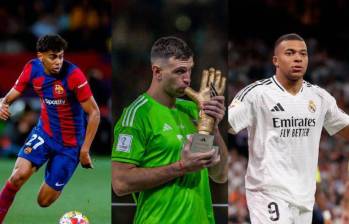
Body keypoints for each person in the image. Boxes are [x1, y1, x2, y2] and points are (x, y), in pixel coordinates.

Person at [228, 33, 349, 223]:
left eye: (303, 53)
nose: (298, 58)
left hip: (304, 198)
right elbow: (226, 124)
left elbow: (345, 127)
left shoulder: (319, 97)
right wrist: (210, 114)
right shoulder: (257, 94)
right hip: (268, 192)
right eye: (290, 53)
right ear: (276, 60)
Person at [112, 36, 228, 224]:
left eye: (190, 70)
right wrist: (180, 167)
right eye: (180, 71)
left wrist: (212, 127)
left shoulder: (193, 110)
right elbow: (120, 183)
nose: (187, 79)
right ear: (157, 72)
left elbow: (219, 175)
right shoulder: (137, 115)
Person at [0, 34, 100, 223]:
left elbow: (94, 113)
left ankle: (55, 174)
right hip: (44, 134)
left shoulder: (74, 75)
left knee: (43, 201)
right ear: (41, 56)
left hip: (70, 146)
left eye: (61, 56)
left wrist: (85, 150)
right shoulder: (32, 68)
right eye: (53, 57)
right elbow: (12, 94)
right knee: (17, 177)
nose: (58, 61)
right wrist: (3, 103)